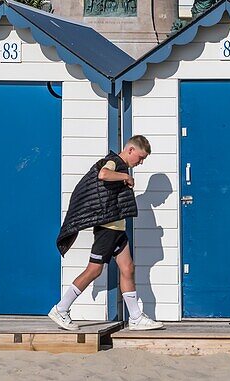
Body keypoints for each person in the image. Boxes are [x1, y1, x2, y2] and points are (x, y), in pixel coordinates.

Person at [50, 134, 163, 331]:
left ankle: (135, 317)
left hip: (117, 229)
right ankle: (61, 309)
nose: (141, 162)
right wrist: (125, 176)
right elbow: (103, 174)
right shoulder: (114, 162)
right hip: (107, 230)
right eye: (140, 157)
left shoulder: (121, 165)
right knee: (94, 270)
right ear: (130, 150)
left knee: (127, 268)